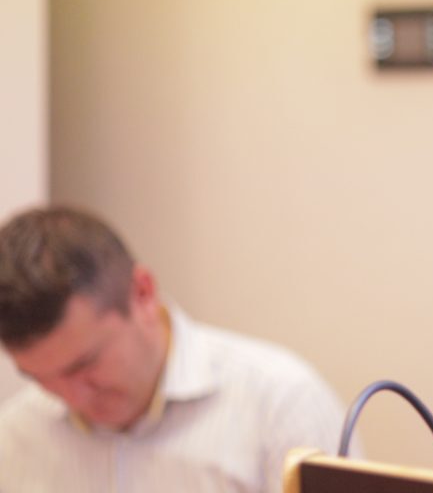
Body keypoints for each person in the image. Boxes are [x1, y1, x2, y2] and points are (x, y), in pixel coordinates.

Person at [0, 206, 352, 492]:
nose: (72, 398)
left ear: (142, 294)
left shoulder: (282, 405)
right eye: (39, 378)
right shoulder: (15, 436)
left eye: (84, 365)